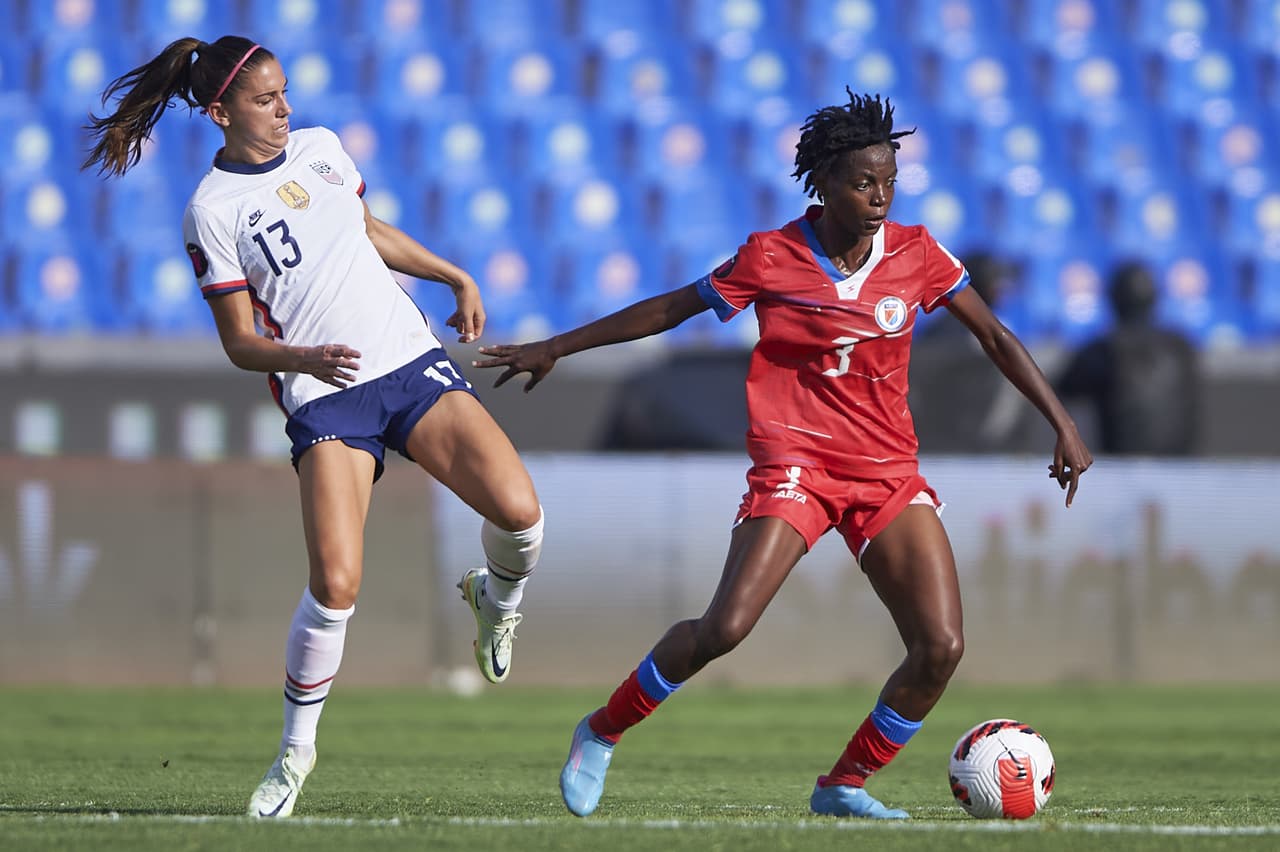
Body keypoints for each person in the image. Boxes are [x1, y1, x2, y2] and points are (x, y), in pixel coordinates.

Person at [474, 91, 1092, 820]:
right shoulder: (771, 256)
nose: (880, 197)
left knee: (941, 646)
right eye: (865, 183)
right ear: (825, 182)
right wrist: (558, 346)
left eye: (890, 182)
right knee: (724, 629)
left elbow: (995, 336)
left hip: (887, 473)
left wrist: (1062, 423)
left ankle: (844, 785)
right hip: (796, 466)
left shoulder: (918, 255)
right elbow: (673, 307)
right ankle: (602, 729)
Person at [83, 36, 546, 818]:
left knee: (521, 514)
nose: (284, 110)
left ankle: (495, 600)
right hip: (326, 395)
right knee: (336, 584)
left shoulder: (322, 149)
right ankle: (294, 759)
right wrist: (303, 355)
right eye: (265, 101)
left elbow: (365, 228)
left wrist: (453, 273)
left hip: (406, 362)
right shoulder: (211, 210)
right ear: (218, 112)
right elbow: (238, 342)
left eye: (286, 94)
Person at [1056, 260, 1200, 455]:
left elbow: (1060, 390)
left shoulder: (1104, 349)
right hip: (1181, 468)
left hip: (1124, 468)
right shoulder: (1182, 347)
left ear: (1114, 299)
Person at [910, 251, 1032, 453]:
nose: (1000, 287)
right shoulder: (946, 331)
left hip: (980, 434)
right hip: (947, 437)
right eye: (993, 279)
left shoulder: (996, 325)